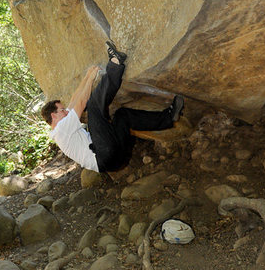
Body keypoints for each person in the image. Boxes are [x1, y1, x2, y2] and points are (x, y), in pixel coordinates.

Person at [41, 41, 184, 173]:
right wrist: (91, 79)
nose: (66, 111)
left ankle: (169, 117)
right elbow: (81, 103)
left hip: (116, 159)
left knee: (123, 116)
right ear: (53, 116)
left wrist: (87, 76)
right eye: (62, 110)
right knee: (93, 107)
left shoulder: (64, 128)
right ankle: (116, 63)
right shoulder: (61, 130)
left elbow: (73, 100)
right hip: (104, 155)